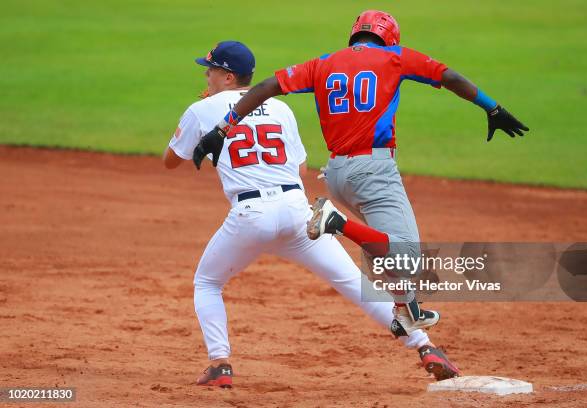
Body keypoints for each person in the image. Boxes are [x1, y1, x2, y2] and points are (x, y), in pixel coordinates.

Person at [192, 10, 530, 380]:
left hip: (337, 175)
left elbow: (265, 87)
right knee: (405, 252)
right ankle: (338, 225)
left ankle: (410, 318)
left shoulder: (323, 64)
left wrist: (225, 125)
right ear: (391, 38)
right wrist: (491, 107)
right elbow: (449, 77)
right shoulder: (395, 57)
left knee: (386, 255)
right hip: (373, 171)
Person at [163, 40, 458, 388]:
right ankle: (426, 348)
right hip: (296, 212)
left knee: (208, 282)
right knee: (354, 283)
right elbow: (301, 168)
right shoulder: (280, 109)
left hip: (250, 215)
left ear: (227, 77)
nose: (206, 74)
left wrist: (206, 125)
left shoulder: (203, 111)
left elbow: (171, 161)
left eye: (210, 69)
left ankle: (219, 364)